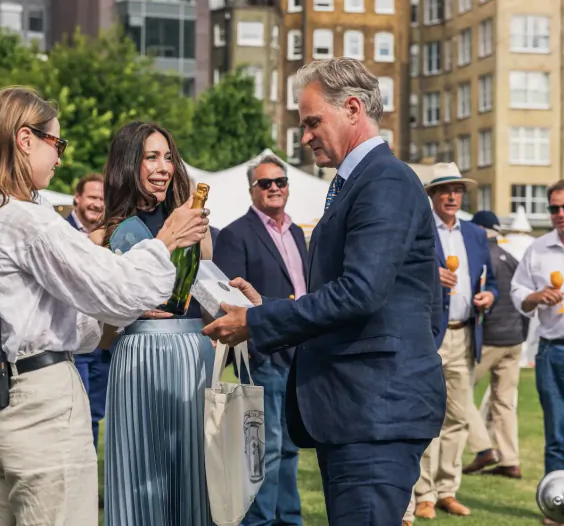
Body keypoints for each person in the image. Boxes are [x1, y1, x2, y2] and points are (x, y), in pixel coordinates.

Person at [202, 58, 447, 526]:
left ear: (352, 108)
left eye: (313, 121)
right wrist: (267, 308)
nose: (305, 135)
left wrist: (256, 323)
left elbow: (360, 292)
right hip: (359, 411)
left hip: (376, 413)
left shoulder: (385, 180)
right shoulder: (360, 183)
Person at [0, 87, 208, 526]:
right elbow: (121, 290)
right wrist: (167, 238)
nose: (59, 157)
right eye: (57, 143)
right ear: (25, 139)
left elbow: (77, 311)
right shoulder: (29, 219)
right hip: (41, 406)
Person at [91, 121, 216, 526]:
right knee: (139, 471)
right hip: (136, 355)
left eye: (167, 157)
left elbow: (208, 293)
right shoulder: (102, 236)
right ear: (130, 164)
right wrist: (127, 308)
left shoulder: (196, 227)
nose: (163, 166)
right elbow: (102, 325)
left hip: (189, 352)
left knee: (190, 469)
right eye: (151, 157)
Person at [213, 155, 305, 526]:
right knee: (263, 449)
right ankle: (260, 521)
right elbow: (227, 299)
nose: (274, 188)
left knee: (289, 447)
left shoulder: (298, 232)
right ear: (252, 190)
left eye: (280, 181)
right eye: (265, 183)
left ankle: (289, 519)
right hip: (265, 353)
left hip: (300, 352)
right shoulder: (237, 233)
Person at [414, 165, 497, 518]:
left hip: (466, 333)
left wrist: (489, 297)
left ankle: (447, 489)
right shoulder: (418, 232)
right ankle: (424, 493)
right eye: (444, 190)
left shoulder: (477, 235)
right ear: (432, 195)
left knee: (459, 418)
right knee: (427, 415)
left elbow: (490, 280)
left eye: (457, 190)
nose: (451, 196)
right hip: (431, 334)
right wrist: (430, 275)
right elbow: (402, 273)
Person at [511, 179, 564, 526]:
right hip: (551, 353)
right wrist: (535, 297)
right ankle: (558, 508)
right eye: (554, 208)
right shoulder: (538, 248)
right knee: (556, 433)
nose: (559, 214)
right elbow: (518, 290)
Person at [464, 210, 526, 480]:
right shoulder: (510, 257)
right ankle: (509, 460)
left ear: (478, 229)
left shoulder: (479, 256)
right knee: (504, 402)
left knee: (457, 393)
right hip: (514, 339)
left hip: (489, 338)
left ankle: (482, 448)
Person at [66, 172, 112, 454]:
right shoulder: (61, 231)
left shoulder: (110, 235)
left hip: (104, 340)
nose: (97, 204)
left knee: (95, 415)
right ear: (78, 197)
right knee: (77, 416)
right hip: (75, 339)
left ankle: (87, 480)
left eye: (103, 199)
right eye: (93, 197)